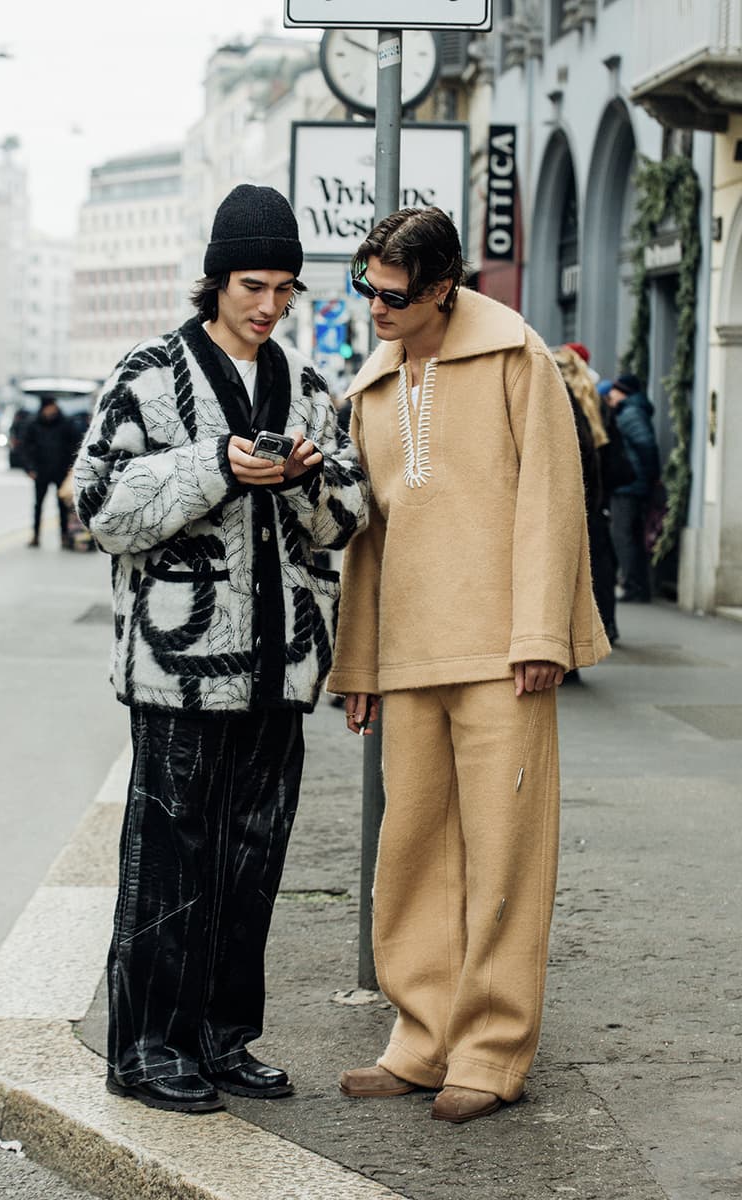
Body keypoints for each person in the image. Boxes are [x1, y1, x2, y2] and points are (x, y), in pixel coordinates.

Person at [72, 184, 368, 1115]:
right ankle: (146, 1048)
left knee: (252, 862)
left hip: (282, 669)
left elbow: (351, 517)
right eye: (252, 283)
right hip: (180, 673)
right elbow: (101, 506)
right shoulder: (151, 373)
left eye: (284, 287)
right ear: (215, 280)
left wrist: (307, 480)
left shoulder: (310, 388)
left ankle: (222, 1039)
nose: (269, 304)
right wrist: (211, 465)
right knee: (169, 860)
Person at [326, 207, 609, 1124]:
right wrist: (358, 664)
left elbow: (551, 503)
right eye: (363, 286)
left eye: (392, 292)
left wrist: (540, 635)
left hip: (501, 651)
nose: (374, 304)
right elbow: (368, 539)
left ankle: (489, 1052)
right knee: (408, 854)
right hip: (408, 651)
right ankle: (420, 1038)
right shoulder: (367, 387)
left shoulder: (517, 360)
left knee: (503, 854)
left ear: (444, 287)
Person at [552, 345, 618, 646]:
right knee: (594, 570)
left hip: (569, 500)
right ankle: (599, 631)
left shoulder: (558, 397)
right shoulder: (595, 401)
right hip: (593, 500)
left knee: (564, 576)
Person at [605, 373, 660, 602]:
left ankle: (633, 586)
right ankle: (636, 585)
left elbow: (646, 445)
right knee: (629, 535)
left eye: (614, 392)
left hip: (629, 485)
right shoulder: (630, 412)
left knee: (623, 535)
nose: (610, 396)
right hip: (633, 483)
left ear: (623, 392)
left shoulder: (630, 413)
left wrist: (648, 476)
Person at [21, 396, 80, 548]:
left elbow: (75, 445)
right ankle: (35, 535)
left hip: (60, 470)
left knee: (62, 505)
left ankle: (64, 536)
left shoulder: (65, 423)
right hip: (41, 471)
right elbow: (25, 447)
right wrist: (30, 468)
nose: (51, 409)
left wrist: (71, 467)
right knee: (38, 504)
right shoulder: (34, 424)